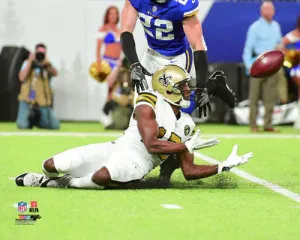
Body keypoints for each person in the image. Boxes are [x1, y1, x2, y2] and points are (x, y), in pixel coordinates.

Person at [15, 65, 253, 189]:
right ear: (168, 90)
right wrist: (183, 146)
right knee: (52, 164)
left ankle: (60, 183)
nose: (189, 90)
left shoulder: (187, 125)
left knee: (101, 176)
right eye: (183, 87)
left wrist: (223, 166)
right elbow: (150, 143)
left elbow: (189, 172)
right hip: (118, 147)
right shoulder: (147, 101)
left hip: (138, 164)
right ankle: (50, 178)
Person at [120, 0, 236, 118]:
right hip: (152, 54)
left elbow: (198, 46)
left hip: (177, 55)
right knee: (142, 109)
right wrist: (134, 64)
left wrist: (202, 87)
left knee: (175, 115)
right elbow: (126, 31)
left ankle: (213, 85)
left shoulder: (182, 4)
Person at [242, 1, 284, 133]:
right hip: (258, 65)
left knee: (270, 97)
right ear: (262, 11)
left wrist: (280, 50)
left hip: (273, 67)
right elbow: (247, 50)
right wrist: (250, 66)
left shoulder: (276, 26)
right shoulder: (254, 27)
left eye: (272, 9)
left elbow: (279, 44)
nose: (270, 12)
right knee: (254, 97)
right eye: (267, 9)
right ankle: (253, 125)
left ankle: (268, 124)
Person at [17, 43, 60, 129]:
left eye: (42, 53)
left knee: (55, 126)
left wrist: (47, 64)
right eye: (38, 52)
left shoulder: (46, 64)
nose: (40, 55)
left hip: (42, 101)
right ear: (34, 52)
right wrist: (30, 61)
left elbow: (55, 73)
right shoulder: (27, 62)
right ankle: (29, 120)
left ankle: (36, 121)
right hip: (28, 100)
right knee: (23, 125)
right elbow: (21, 78)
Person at [96, 6, 122, 88]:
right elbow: (98, 49)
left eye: (115, 14)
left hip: (118, 63)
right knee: (110, 86)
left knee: (117, 88)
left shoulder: (120, 31)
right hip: (107, 62)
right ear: (107, 15)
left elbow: (122, 49)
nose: (113, 16)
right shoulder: (103, 29)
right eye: (111, 14)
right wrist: (99, 65)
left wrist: (121, 61)